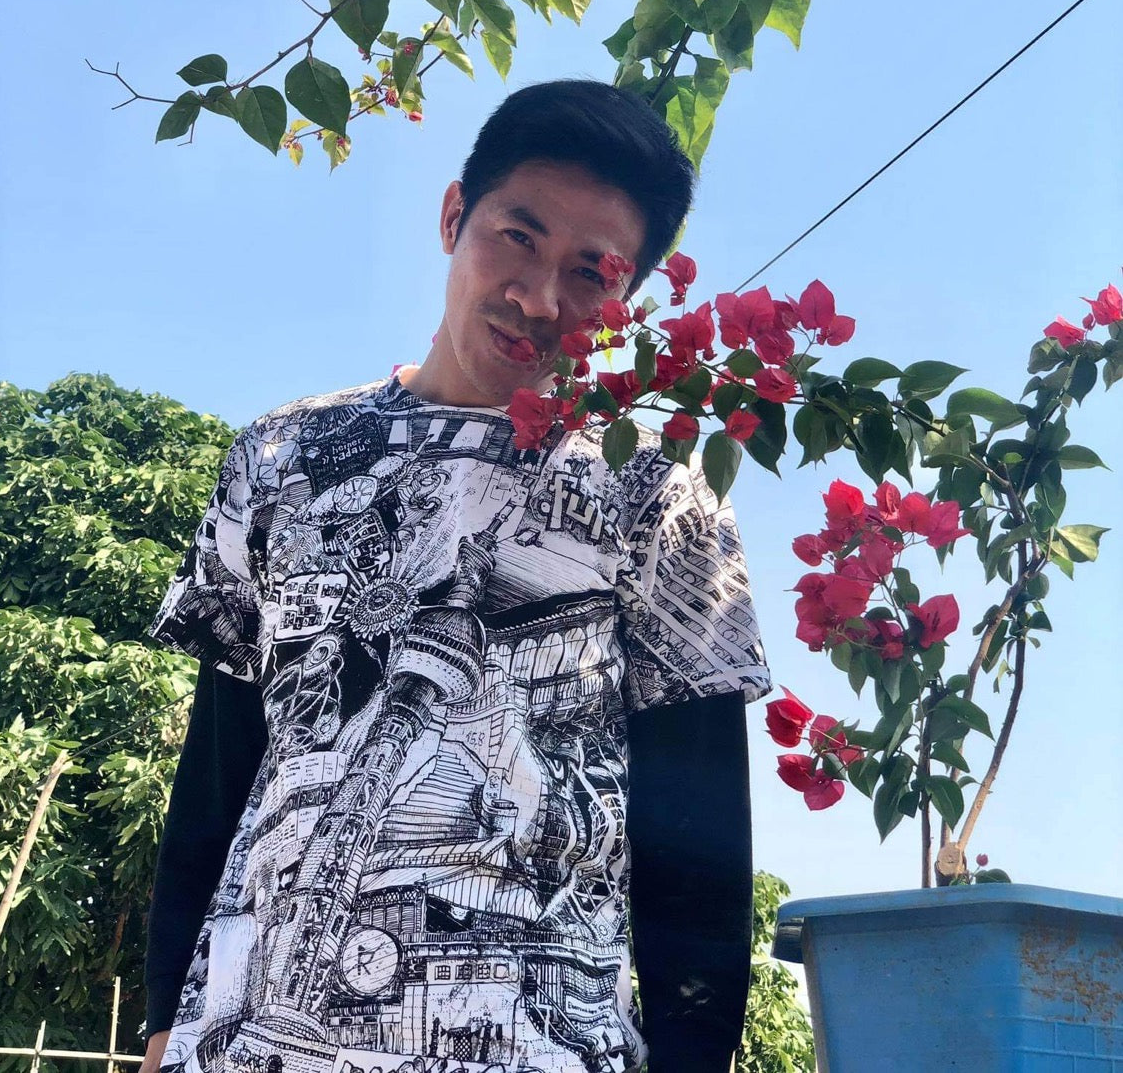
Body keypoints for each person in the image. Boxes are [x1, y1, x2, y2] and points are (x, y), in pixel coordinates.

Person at [141, 80, 771, 1073]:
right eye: (516, 238)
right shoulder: (281, 456)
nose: (539, 299)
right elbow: (219, 769)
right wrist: (161, 1018)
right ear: (452, 217)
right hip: (250, 1038)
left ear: (627, 302)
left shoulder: (657, 486)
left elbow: (697, 836)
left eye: (589, 273)